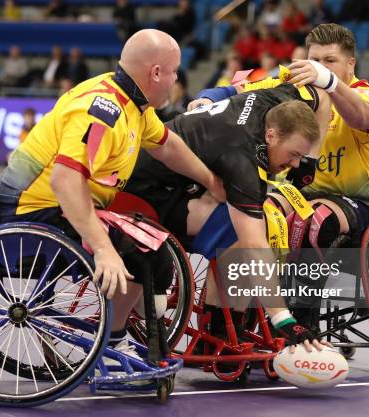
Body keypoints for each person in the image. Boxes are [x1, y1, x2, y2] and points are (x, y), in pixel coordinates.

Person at [0, 29, 225, 355]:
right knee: (143, 254)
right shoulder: (103, 112)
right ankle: (113, 340)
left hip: (53, 206)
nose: (175, 80)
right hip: (31, 212)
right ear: (156, 72)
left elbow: (167, 146)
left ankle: (114, 335)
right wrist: (102, 248)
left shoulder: (132, 102)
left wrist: (211, 180)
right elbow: (65, 180)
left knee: (151, 250)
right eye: (173, 71)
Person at [189, 23, 369, 329]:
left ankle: (302, 328)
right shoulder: (298, 86)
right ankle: (226, 328)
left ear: (350, 64)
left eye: (329, 61)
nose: (318, 68)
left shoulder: (364, 95)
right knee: (249, 218)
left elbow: (362, 117)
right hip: (299, 195)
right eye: (314, 60)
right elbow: (240, 88)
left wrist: (330, 82)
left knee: (314, 219)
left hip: (358, 204)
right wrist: (208, 97)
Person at [125, 82, 333, 350]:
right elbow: (254, 246)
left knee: (242, 222)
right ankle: (217, 331)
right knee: (239, 234)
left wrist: (310, 159)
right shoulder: (242, 160)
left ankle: (225, 322)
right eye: (293, 155)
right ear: (270, 135)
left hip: (170, 173)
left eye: (300, 157)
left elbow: (324, 96)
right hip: (143, 194)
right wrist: (284, 319)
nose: (294, 165)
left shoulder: (273, 100)